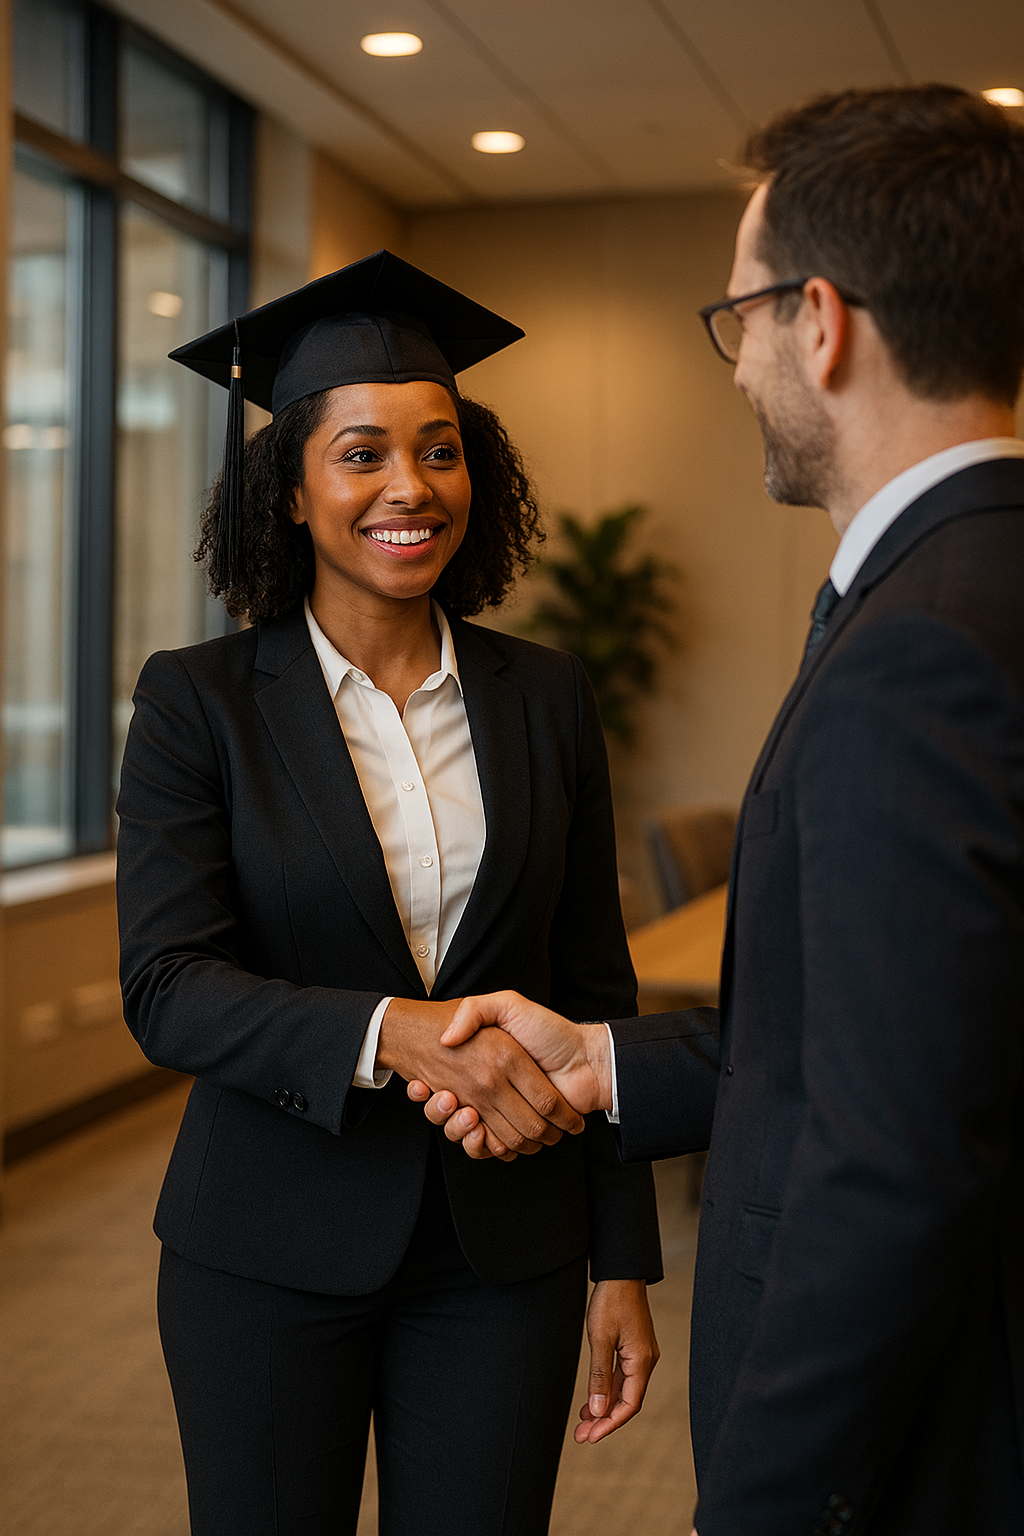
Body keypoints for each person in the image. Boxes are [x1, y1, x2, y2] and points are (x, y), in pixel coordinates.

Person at [414, 87, 1024, 1535]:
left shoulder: (919, 650)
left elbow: (893, 1156)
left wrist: (761, 1504)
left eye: (738, 316)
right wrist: (607, 1067)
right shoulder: (975, 590)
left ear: (821, 322)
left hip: (921, 1452)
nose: (737, 363)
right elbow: (926, 1029)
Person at [115, 250, 662, 1536]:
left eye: (440, 449)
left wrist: (623, 1261)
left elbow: (596, 991)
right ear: (292, 492)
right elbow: (167, 987)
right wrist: (391, 1034)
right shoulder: (198, 703)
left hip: (504, 1253)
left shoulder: (545, 696)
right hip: (264, 1244)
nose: (409, 488)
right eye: (361, 455)